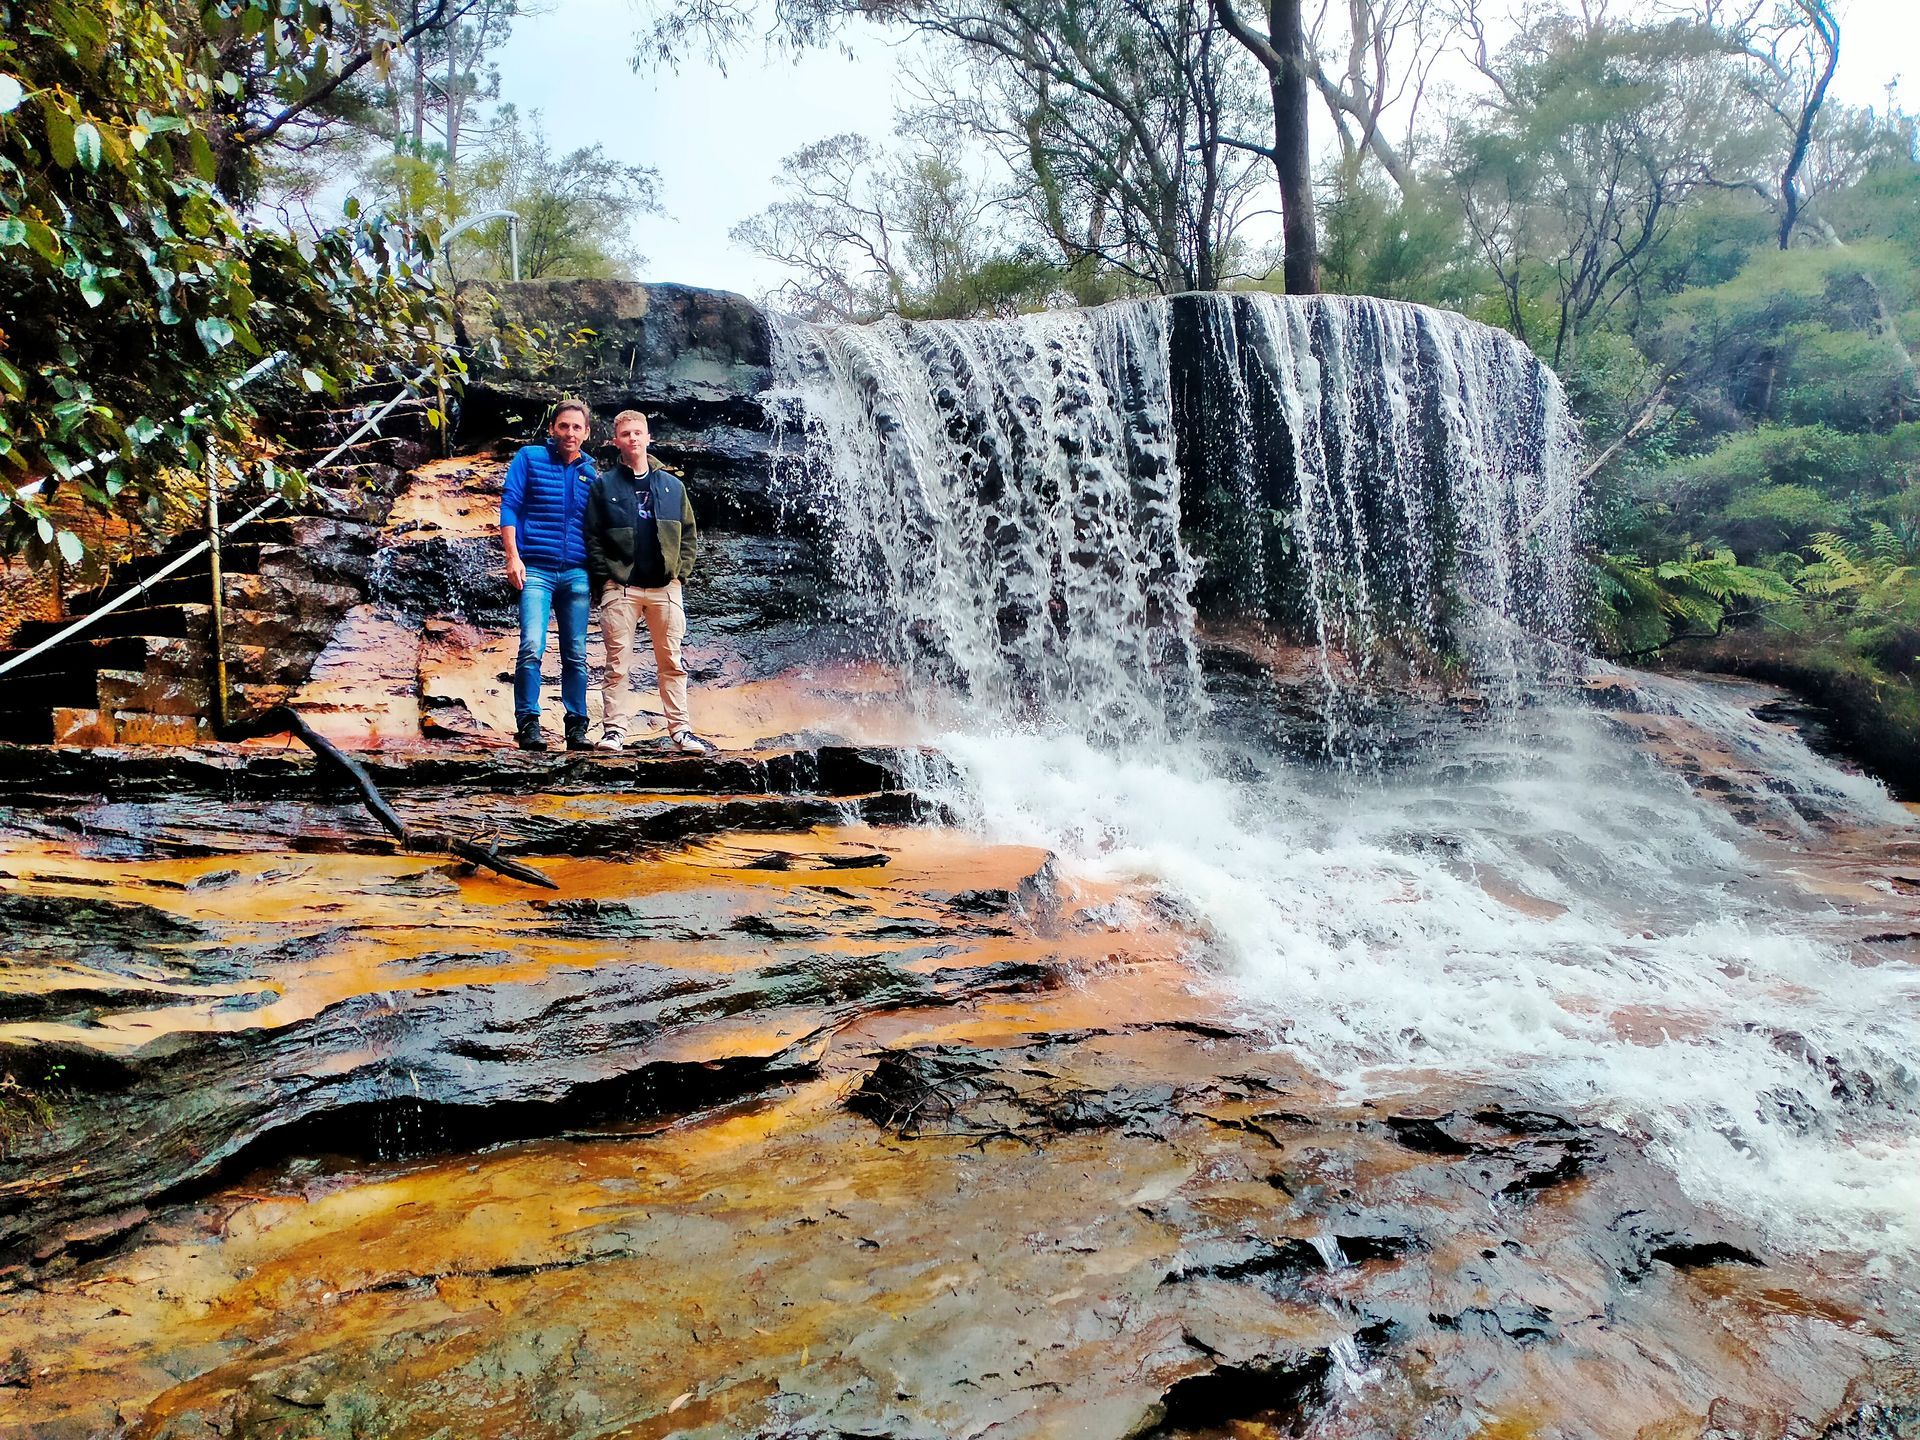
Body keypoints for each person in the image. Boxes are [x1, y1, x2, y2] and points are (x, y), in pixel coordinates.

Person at [584, 409, 714, 754]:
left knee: (672, 661)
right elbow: (593, 536)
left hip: (665, 588)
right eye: (626, 434)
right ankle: (614, 731)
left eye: (638, 432)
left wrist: (680, 575)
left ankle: (682, 731)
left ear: (648, 437)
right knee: (616, 664)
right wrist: (606, 577)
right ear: (617, 441)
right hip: (622, 587)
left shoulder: (673, 486)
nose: (633, 439)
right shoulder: (604, 485)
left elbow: (688, 534)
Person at [500, 398, 597, 752]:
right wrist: (513, 557)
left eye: (576, 427)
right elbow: (510, 505)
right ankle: (529, 724)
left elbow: (597, 526)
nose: (569, 433)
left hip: (576, 572)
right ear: (552, 429)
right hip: (536, 569)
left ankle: (576, 729)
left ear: (586, 433)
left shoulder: (591, 471)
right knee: (531, 646)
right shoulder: (529, 458)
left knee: (576, 652)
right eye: (563, 426)